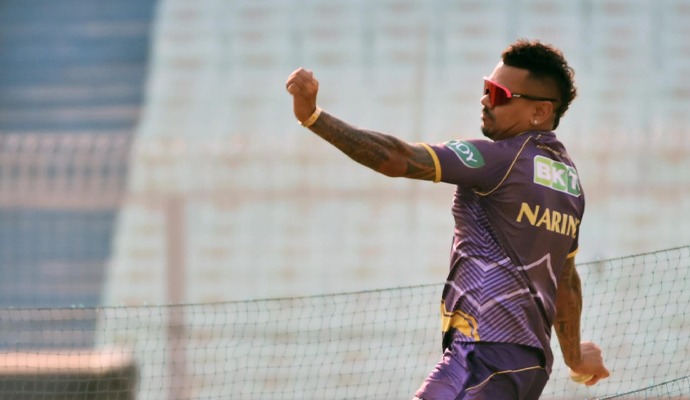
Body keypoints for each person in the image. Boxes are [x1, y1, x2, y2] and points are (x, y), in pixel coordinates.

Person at [286, 39, 610, 399]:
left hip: (487, 355)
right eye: (486, 88)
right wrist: (575, 357)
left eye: (499, 94)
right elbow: (566, 280)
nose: (485, 100)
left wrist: (312, 117)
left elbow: (397, 158)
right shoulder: (570, 184)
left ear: (540, 111)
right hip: (508, 361)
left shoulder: (499, 159)